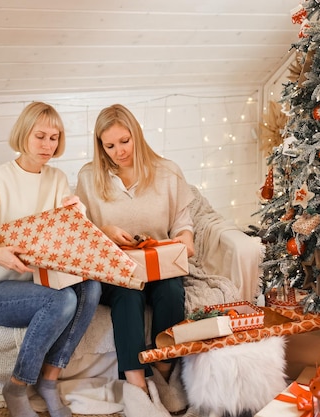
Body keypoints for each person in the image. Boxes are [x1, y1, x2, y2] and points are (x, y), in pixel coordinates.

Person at [0, 101, 102, 417]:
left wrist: (76, 215)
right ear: (23, 135)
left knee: (91, 287)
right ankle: (16, 386)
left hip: (37, 283)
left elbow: (62, 235)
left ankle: (49, 381)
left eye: (54, 138)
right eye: (40, 136)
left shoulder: (56, 178)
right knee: (62, 301)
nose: (47, 145)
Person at [75, 104, 194, 417]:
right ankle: (137, 387)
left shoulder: (167, 171)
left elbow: (183, 221)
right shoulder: (89, 177)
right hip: (115, 268)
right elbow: (81, 230)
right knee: (127, 296)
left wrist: (186, 239)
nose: (119, 152)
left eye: (124, 142)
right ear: (100, 145)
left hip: (159, 262)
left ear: (136, 136)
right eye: (109, 145)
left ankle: (165, 368)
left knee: (171, 291)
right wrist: (105, 230)